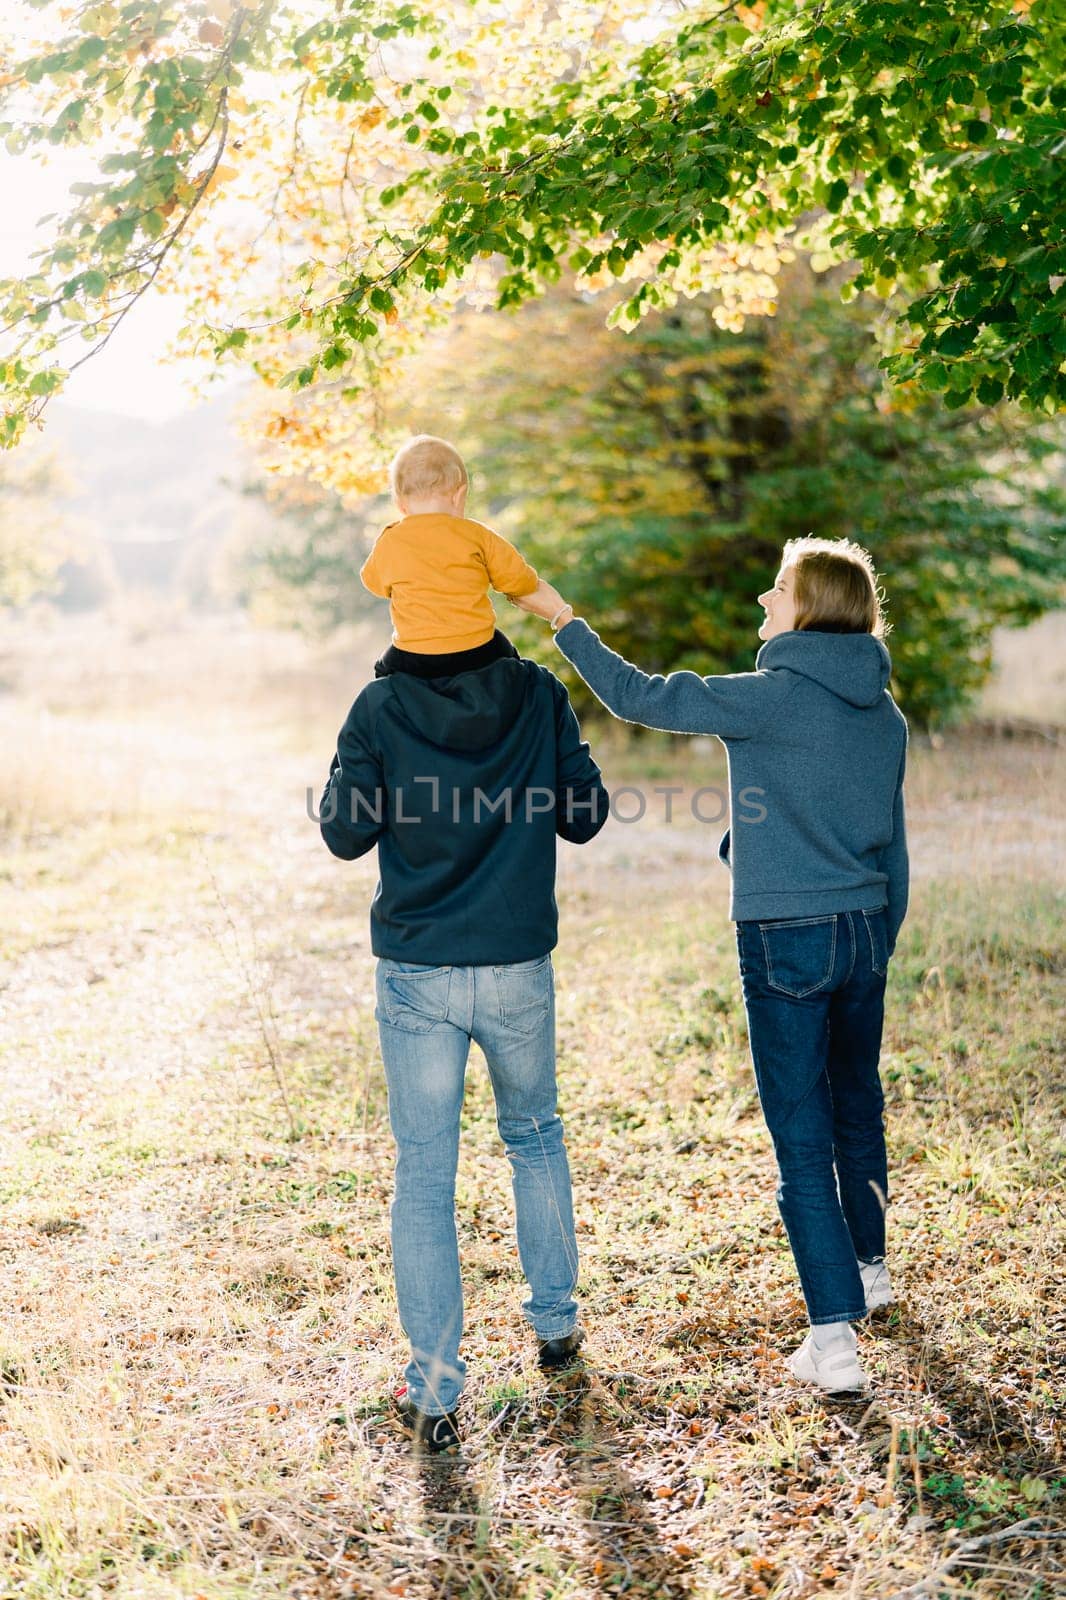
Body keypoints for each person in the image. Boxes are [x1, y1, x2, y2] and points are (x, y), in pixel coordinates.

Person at [513, 538, 908, 1393]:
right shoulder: (886, 714)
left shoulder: (768, 699)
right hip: (867, 931)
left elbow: (638, 697)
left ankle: (834, 1344)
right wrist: (878, 936)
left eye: (779, 589)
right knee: (857, 1101)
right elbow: (893, 843)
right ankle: (871, 1269)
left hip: (786, 938)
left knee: (801, 1138)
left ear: (810, 609)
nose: (764, 600)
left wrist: (565, 622)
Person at [318, 616, 608, 1451]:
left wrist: (362, 753)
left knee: (424, 1171)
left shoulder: (378, 706)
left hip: (420, 971)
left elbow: (343, 834)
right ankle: (556, 1325)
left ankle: (437, 1384)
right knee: (535, 1136)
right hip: (517, 963)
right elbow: (585, 815)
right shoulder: (540, 693)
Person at [360, 434, 559, 653]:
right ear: (459, 495)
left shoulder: (391, 540)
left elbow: (372, 582)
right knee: (512, 659)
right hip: (476, 647)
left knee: (385, 668)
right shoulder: (476, 535)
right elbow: (518, 580)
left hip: (415, 653)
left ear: (400, 504)